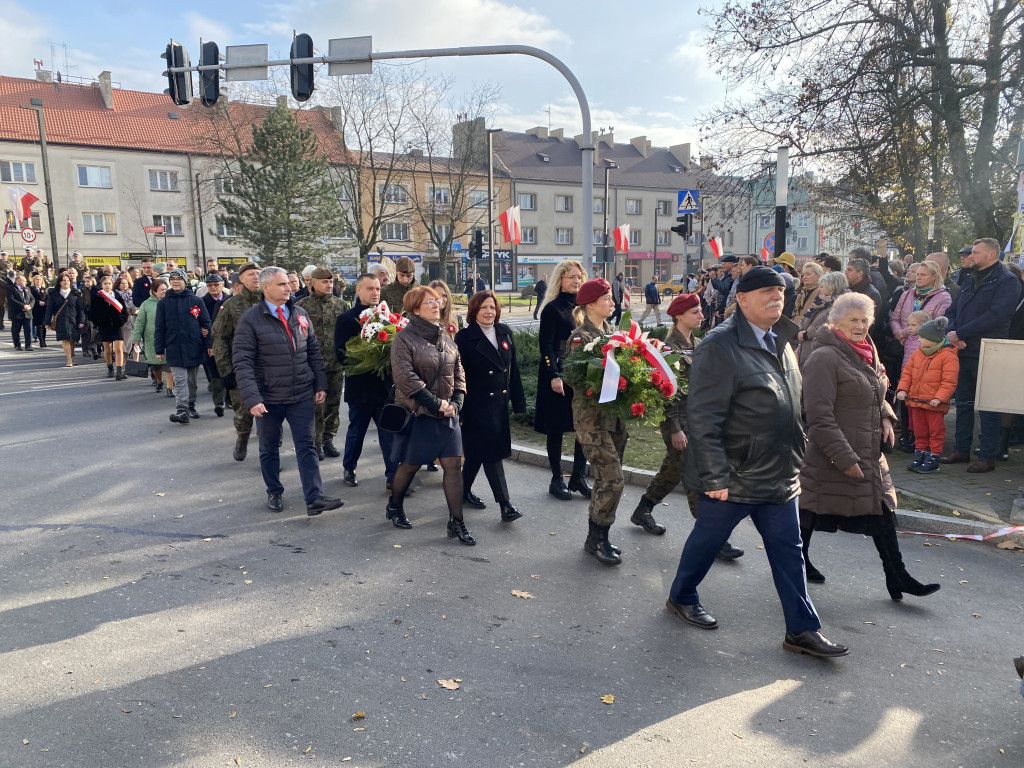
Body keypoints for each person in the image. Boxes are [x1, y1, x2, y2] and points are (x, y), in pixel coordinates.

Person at [666, 266, 849, 658]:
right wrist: (714, 474)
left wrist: (799, 449)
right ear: (742, 299)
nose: (776, 297)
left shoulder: (780, 339)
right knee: (707, 541)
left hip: (780, 471)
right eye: (766, 291)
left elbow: (791, 404)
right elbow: (704, 416)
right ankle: (681, 596)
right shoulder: (719, 345)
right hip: (735, 473)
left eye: (780, 291)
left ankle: (801, 630)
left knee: (789, 549)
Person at [799, 292, 941, 602]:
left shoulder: (866, 350)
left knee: (880, 513)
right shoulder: (823, 357)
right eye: (853, 320)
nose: (861, 326)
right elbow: (818, 417)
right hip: (834, 455)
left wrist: (887, 418)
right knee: (810, 511)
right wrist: (845, 458)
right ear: (835, 322)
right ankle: (795, 565)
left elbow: (879, 388)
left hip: (869, 451)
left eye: (865, 320)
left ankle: (897, 576)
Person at [630, 293, 746, 558]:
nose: (701, 316)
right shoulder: (668, 348)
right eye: (695, 312)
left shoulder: (698, 343)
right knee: (697, 475)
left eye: (699, 311)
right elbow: (665, 391)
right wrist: (675, 428)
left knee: (674, 470)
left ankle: (643, 509)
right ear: (678, 316)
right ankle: (713, 537)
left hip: (699, 419)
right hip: (679, 420)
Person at [233, 266, 343, 516]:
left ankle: (314, 498)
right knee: (269, 448)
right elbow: (242, 361)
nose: (288, 288)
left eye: (288, 284)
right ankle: (274, 491)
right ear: (266, 288)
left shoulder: (300, 313)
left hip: (301, 393)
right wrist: (252, 398)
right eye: (281, 284)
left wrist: (320, 384)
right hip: (268, 397)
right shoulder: (251, 319)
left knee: (307, 446)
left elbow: (312, 351)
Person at [387, 285, 474, 544]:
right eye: (430, 302)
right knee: (410, 465)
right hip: (420, 413)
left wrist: (456, 402)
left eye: (437, 301)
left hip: (448, 415)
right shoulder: (404, 339)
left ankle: (456, 522)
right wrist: (436, 403)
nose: (437, 305)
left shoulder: (446, 338)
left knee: (452, 465)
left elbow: (459, 374)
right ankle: (395, 505)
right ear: (415, 308)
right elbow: (406, 379)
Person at [940, 237, 1024, 472]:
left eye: (976, 253)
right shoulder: (968, 278)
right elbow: (952, 310)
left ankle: (987, 455)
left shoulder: (1007, 281)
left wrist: (961, 333)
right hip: (964, 349)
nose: (971, 256)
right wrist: (953, 332)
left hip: (990, 350)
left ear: (992, 255)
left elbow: (997, 315)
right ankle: (961, 449)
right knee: (964, 403)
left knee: (989, 406)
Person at [562, 278, 627, 565]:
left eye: (612, 298)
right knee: (613, 479)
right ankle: (598, 537)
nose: (612, 303)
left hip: (615, 419)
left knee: (605, 480)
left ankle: (598, 537)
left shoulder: (613, 332)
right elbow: (579, 381)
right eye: (607, 298)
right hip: (593, 421)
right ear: (590, 304)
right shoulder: (581, 338)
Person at [455, 291, 527, 521]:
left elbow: (512, 371)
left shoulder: (504, 332)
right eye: (484, 307)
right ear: (474, 311)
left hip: (498, 405)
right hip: (476, 406)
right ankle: (505, 505)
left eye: (492, 308)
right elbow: (459, 376)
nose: (489, 312)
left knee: (477, 454)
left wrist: (518, 402)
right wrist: (460, 410)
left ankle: (462, 491)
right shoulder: (464, 338)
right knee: (491, 454)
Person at [334, 273, 399, 492]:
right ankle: (349, 468)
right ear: (359, 291)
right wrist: (367, 357)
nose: (375, 293)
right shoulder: (346, 319)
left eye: (378, 289)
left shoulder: (387, 319)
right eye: (370, 288)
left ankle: (393, 476)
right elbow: (341, 354)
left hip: (383, 388)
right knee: (357, 432)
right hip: (360, 387)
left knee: (388, 434)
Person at [534, 259, 592, 500]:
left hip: (581, 374)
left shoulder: (586, 307)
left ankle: (579, 476)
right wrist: (554, 376)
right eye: (571, 277)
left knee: (582, 427)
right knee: (556, 428)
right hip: (558, 372)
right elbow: (545, 344)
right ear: (560, 280)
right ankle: (557, 479)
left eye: (579, 277)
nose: (576, 281)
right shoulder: (552, 308)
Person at [297, 266, 349, 459]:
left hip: (335, 365)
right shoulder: (301, 307)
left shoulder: (340, 305)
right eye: (324, 282)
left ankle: (328, 440)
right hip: (312, 366)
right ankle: (316, 442)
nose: (329, 285)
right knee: (315, 406)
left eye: (330, 282)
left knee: (333, 405)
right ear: (312, 283)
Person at [897, 316, 960, 473]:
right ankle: (920, 455)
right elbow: (907, 373)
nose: (918, 340)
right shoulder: (918, 353)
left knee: (935, 431)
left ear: (932, 339)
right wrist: (903, 389)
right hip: (916, 401)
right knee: (919, 431)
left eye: (922, 337)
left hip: (934, 404)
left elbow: (949, 381)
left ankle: (933, 457)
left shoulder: (948, 356)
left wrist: (940, 398)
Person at [214, 262, 263, 460]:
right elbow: (219, 338)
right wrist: (226, 371)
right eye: (251, 274)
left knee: (271, 416)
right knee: (243, 412)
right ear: (240, 279)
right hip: (243, 369)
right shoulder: (231, 305)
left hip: (270, 369)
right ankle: (242, 438)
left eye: (259, 274)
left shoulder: (272, 302)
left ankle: (270, 453)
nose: (255, 277)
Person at [155, 269, 213, 423]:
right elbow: (159, 327)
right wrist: (159, 348)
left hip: (194, 345)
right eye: (172, 278)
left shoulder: (196, 300)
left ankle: (191, 404)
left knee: (191, 381)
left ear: (185, 281)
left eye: (178, 278)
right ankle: (182, 410)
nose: (175, 281)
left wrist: (209, 344)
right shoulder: (163, 303)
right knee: (179, 379)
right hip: (174, 346)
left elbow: (206, 323)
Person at [795, 271, 849, 369]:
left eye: (822, 287)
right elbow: (805, 318)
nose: (818, 289)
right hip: (806, 352)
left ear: (832, 289)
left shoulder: (839, 307)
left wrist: (807, 334)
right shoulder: (819, 303)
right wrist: (799, 330)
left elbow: (830, 326)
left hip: (819, 355)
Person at [133, 279, 175, 393]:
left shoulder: (171, 302)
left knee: (169, 364)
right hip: (152, 338)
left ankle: (170, 388)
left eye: (166, 289)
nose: (164, 292)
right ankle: (159, 381)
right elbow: (140, 322)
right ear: (154, 291)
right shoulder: (146, 304)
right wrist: (136, 337)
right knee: (155, 366)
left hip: (169, 336)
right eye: (161, 290)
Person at [200, 273, 229, 416]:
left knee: (229, 371)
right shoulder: (202, 302)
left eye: (216, 284)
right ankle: (219, 403)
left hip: (228, 341)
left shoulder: (230, 300)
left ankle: (229, 398)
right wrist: (201, 330)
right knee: (214, 373)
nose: (213, 287)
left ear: (222, 285)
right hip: (210, 342)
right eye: (210, 285)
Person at [90, 275, 129, 379]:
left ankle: (119, 371)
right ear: (101, 285)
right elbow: (92, 313)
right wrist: (99, 322)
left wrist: (121, 321)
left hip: (116, 325)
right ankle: (110, 368)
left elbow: (124, 311)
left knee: (118, 349)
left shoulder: (117, 296)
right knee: (107, 349)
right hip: (104, 326)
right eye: (105, 284)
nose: (107, 286)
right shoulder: (97, 296)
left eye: (109, 283)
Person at [44, 271, 86, 366]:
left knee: (72, 340)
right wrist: (47, 322)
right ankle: (69, 360)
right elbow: (49, 309)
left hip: (73, 320)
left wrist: (82, 321)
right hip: (61, 320)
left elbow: (80, 309)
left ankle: (71, 356)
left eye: (67, 281)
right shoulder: (53, 294)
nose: (66, 282)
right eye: (63, 280)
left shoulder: (76, 294)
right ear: (59, 282)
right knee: (65, 339)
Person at [7, 274, 33, 350]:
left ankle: (28, 345)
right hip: (16, 313)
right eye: (23, 281)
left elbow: (32, 299)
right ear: (17, 281)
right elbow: (11, 300)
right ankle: (17, 345)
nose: (25, 282)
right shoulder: (10, 288)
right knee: (16, 330)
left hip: (27, 312)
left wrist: (29, 306)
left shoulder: (27, 288)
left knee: (28, 330)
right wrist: (23, 306)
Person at [113, 275, 136, 357]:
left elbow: (138, 305)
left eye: (126, 283)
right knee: (124, 345)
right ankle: (123, 363)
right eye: (122, 283)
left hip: (133, 320)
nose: (124, 285)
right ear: (118, 285)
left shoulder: (133, 294)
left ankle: (136, 364)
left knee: (135, 344)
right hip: (122, 321)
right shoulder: (115, 295)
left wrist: (137, 310)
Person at [29, 273, 48, 348]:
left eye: (40, 279)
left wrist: (45, 303)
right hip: (36, 309)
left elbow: (48, 298)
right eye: (37, 279)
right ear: (34, 280)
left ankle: (43, 340)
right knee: (39, 325)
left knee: (44, 326)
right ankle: (41, 342)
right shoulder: (31, 289)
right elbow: (30, 299)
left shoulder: (44, 289)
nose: (38, 281)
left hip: (44, 309)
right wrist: (38, 302)